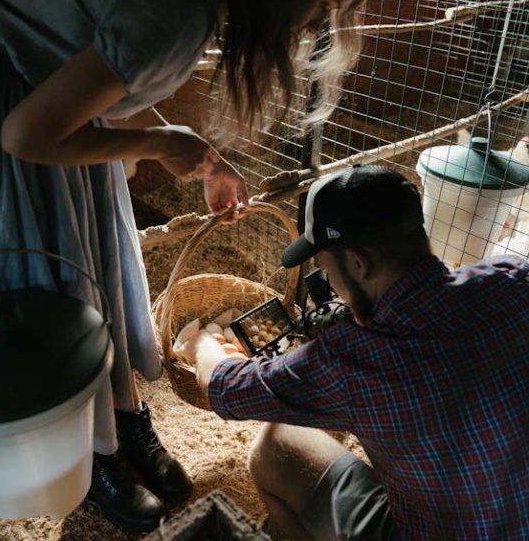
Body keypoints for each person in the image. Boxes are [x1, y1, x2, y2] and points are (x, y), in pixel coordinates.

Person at [0, 0, 387, 533]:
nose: (321, 25)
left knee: (98, 264)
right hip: (7, 105)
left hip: (44, 97)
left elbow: (99, 72)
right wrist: (163, 143)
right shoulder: (178, 2)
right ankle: (90, 451)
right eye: (325, 4)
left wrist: (196, 153)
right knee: (56, 287)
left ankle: (121, 416)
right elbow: (26, 134)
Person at [187, 165, 529, 540]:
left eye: (326, 269)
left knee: (274, 447)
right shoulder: (513, 278)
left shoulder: (355, 359)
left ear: (357, 263)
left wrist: (203, 344)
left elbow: (222, 387)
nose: (331, 284)